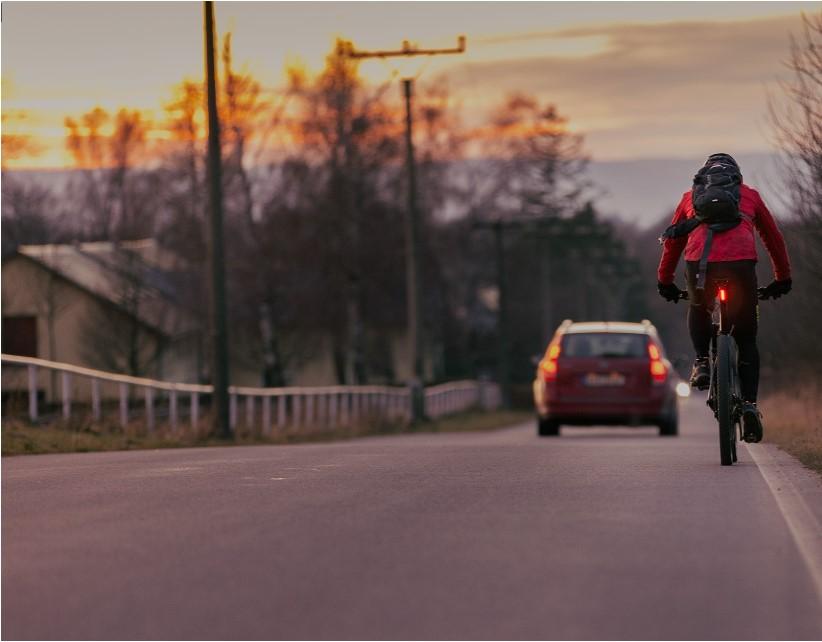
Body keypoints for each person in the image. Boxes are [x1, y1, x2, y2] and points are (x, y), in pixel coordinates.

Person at [656, 153, 792, 442]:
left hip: (699, 265)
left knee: (698, 305)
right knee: (746, 339)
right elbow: (773, 238)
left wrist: (664, 281)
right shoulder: (749, 196)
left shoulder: (688, 198)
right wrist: (782, 278)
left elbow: (673, 242)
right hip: (741, 265)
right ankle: (751, 406)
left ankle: (703, 361)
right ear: (736, 176)